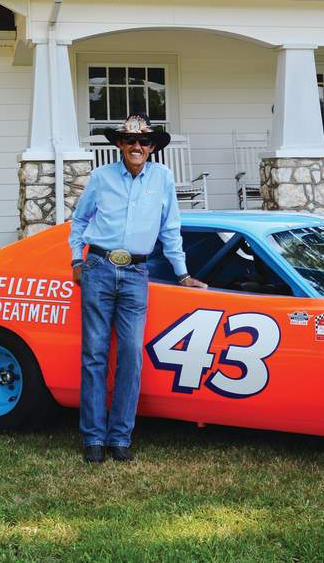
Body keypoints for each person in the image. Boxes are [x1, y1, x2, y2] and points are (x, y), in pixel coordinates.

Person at [69, 114, 206, 464]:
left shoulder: (163, 179)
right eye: (130, 141)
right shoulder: (101, 177)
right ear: (119, 145)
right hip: (98, 268)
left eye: (144, 141)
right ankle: (93, 439)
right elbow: (80, 221)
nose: (137, 146)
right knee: (94, 355)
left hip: (135, 272)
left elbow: (170, 229)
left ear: (152, 147)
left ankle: (120, 438)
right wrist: (76, 261)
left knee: (130, 355)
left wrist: (183, 274)